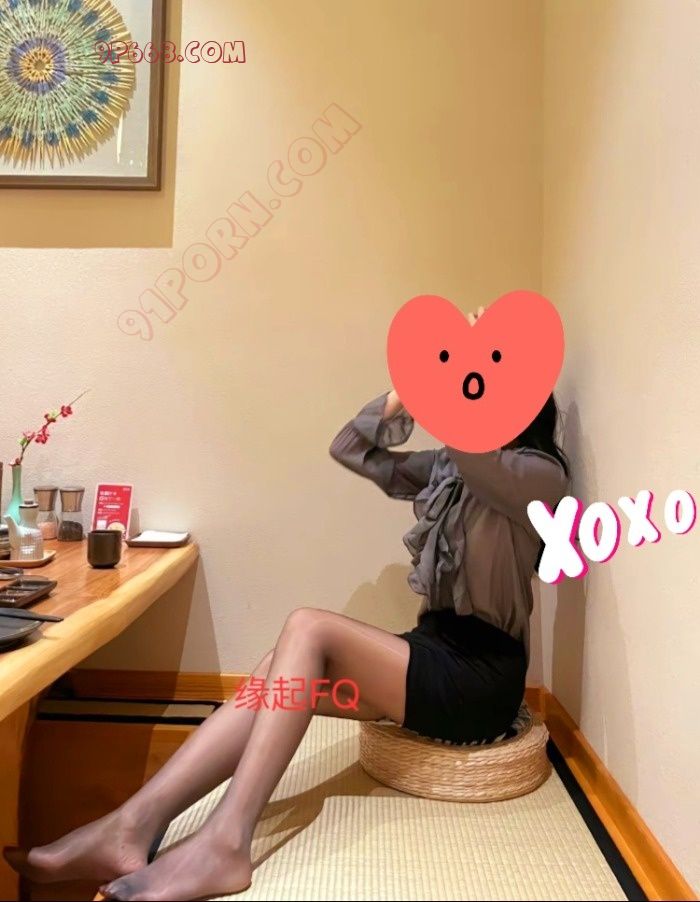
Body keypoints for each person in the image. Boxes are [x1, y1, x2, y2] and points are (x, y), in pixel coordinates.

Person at [4, 319, 569, 902]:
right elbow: (351, 448)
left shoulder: (539, 476)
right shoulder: (451, 467)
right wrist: (404, 393)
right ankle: (134, 823)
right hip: (431, 653)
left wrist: (460, 363)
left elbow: (473, 444)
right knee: (278, 671)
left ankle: (227, 841)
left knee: (309, 626)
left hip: (478, 680)